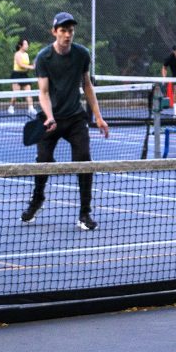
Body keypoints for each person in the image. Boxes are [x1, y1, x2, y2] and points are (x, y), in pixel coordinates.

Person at [20, 12, 109, 231]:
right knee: (43, 160)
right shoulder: (43, 57)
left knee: (84, 161)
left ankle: (85, 213)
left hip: (75, 118)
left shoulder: (82, 54)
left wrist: (98, 116)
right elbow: (43, 91)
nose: (67, 35)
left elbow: (87, 85)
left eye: (70, 31)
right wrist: (49, 117)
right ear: (54, 32)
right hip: (50, 118)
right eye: (63, 30)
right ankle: (38, 198)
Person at [8, 38, 37, 117]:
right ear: (20, 45)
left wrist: (31, 66)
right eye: (25, 44)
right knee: (16, 94)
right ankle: (11, 107)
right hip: (16, 75)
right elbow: (21, 65)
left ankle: (31, 108)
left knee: (29, 92)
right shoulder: (17, 54)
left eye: (27, 44)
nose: (27, 46)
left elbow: (26, 66)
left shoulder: (26, 54)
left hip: (24, 75)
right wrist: (31, 67)